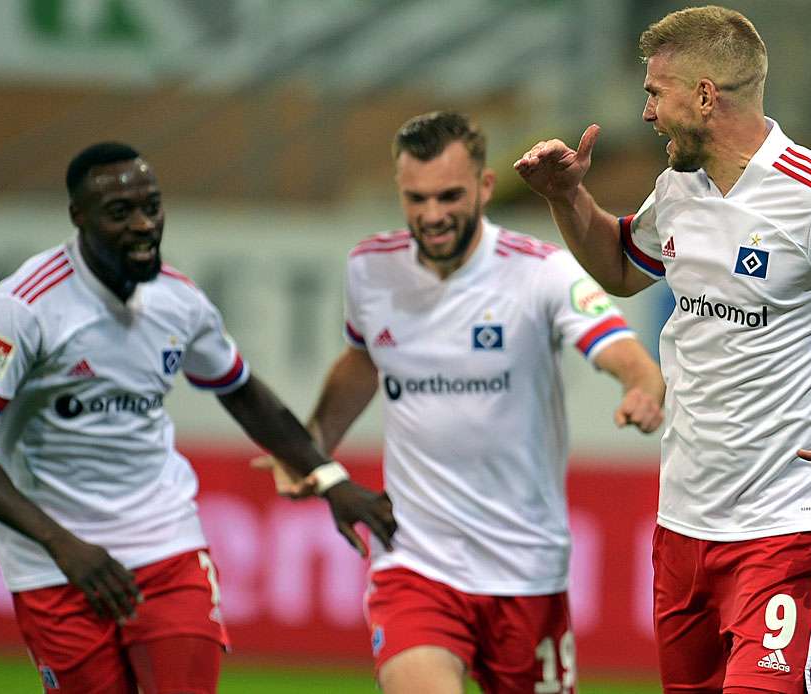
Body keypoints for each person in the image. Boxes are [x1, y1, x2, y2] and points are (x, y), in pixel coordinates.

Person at [514, 6, 811, 693]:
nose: (644, 112)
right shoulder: (679, 189)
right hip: (686, 519)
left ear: (704, 95)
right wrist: (567, 198)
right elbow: (621, 269)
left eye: (654, 91)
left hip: (793, 516)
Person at [0, 142, 396, 694]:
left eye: (152, 206)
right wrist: (63, 544)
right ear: (79, 217)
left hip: (165, 544)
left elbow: (242, 392)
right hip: (57, 564)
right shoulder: (24, 307)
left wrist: (329, 478)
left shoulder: (180, 301)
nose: (143, 224)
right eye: (120, 213)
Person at [257, 111, 665, 694]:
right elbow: (364, 361)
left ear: (484, 187)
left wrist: (642, 387)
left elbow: (621, 349)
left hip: (526, 572)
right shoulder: (370, 269)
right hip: (415, 563)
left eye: (449, 196)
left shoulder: (539, 271)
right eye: (415, 198)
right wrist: (311, 446)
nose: (431, 215)